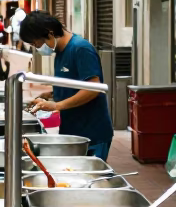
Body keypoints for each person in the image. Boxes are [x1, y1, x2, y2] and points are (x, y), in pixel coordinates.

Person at [22, 11, 113, 159]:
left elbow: (93, 89)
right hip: (72, 130)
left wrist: (57, 106)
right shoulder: (60, 51)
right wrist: (50, 95)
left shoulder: (80, 49)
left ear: (50, 34)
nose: (37, 48)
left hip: (91, 132)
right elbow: (73, 83)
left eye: (36, 43)